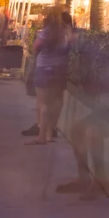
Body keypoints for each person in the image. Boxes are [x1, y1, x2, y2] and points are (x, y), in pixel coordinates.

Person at [28, 11, 72, 144]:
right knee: (57, 101)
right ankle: (50, 134)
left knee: (44, 103)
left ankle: (41, 136)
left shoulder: (47, 32)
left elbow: (36, 46)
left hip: (45, 68)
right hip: (60, 70)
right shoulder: (66, 32)